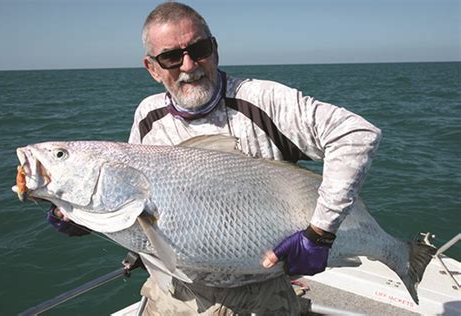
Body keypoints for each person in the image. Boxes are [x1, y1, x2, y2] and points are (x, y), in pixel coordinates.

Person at [48, 2, 381, 315]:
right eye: (171, 58)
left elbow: (355, 134)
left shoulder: (261, 99)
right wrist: (82, 217)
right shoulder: (147, 116)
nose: (189, 66)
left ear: (215, 49)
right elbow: (140, 205)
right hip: (174, 294)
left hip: (261, 297)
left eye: (199, 50)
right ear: (152, 68)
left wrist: (319, 233)